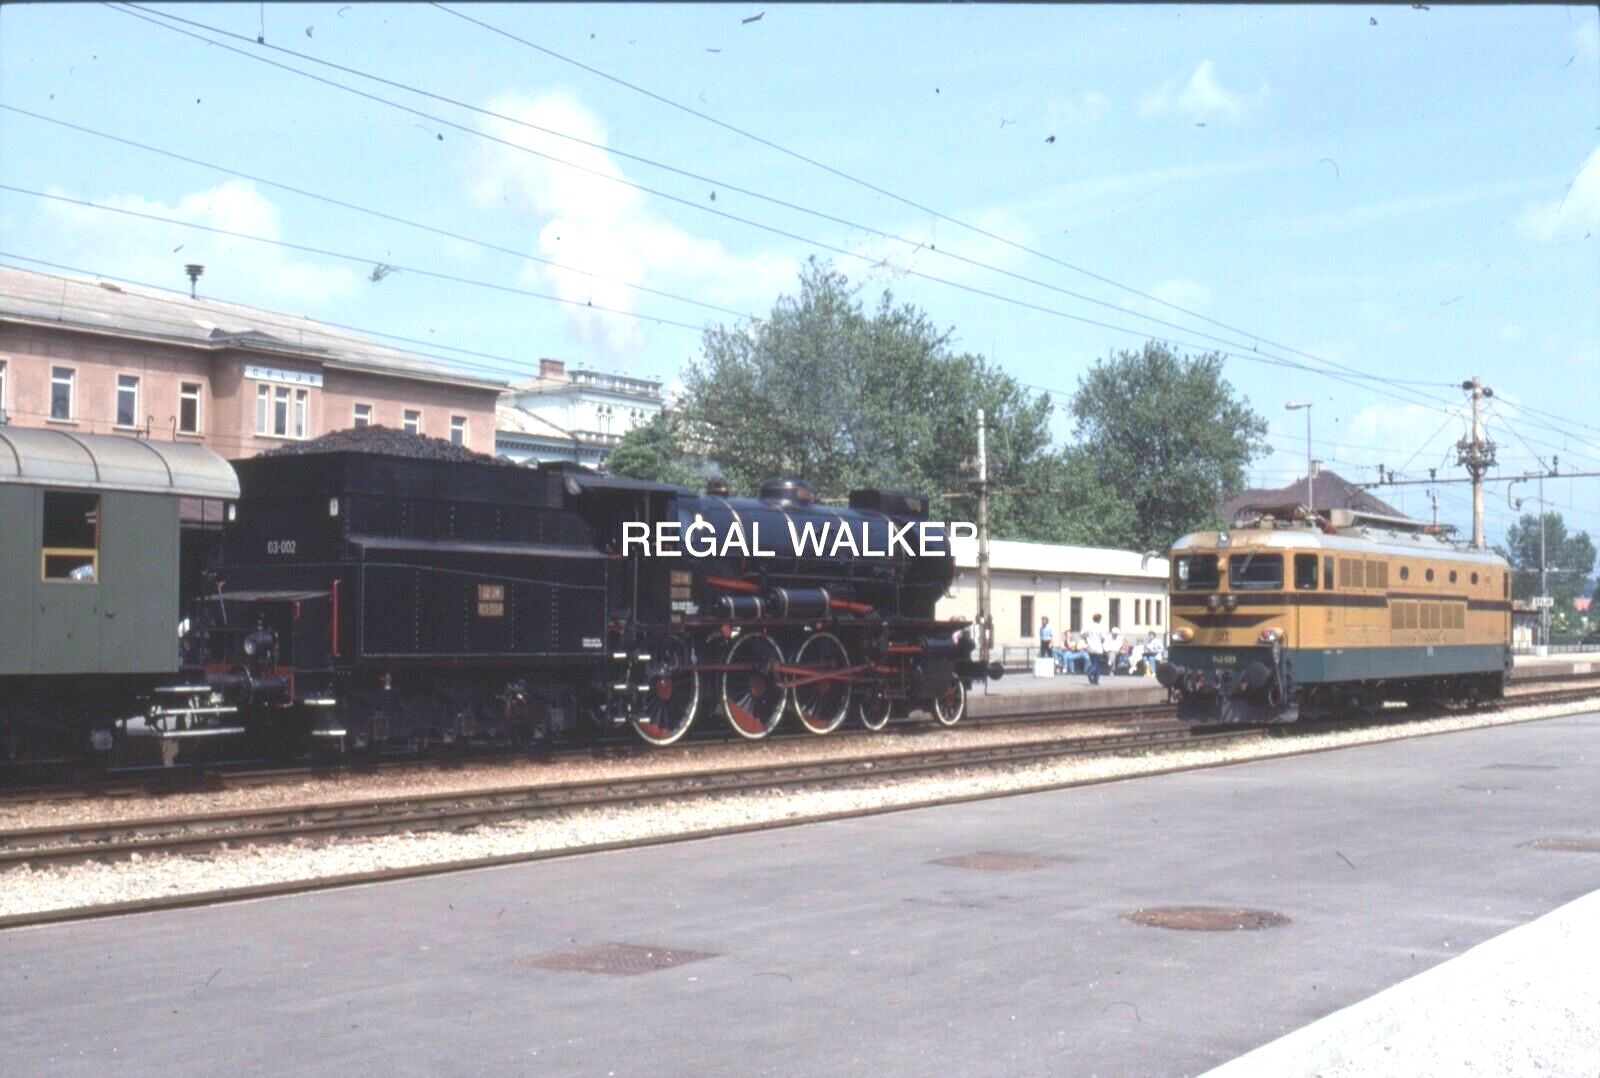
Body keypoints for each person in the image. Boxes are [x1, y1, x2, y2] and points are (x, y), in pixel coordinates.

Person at [1083, 614, 1107, 685]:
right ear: (1099, 619)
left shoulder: (1088, 626)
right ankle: (1090, 671)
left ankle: (1095, 680)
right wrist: (1101, 640)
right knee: (1097, 663)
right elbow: (1103, 637)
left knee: (1093, 661)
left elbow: (1082, 633)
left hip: (1090, 647)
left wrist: (1086, 639)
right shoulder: (1101, 627)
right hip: (1098, 647)